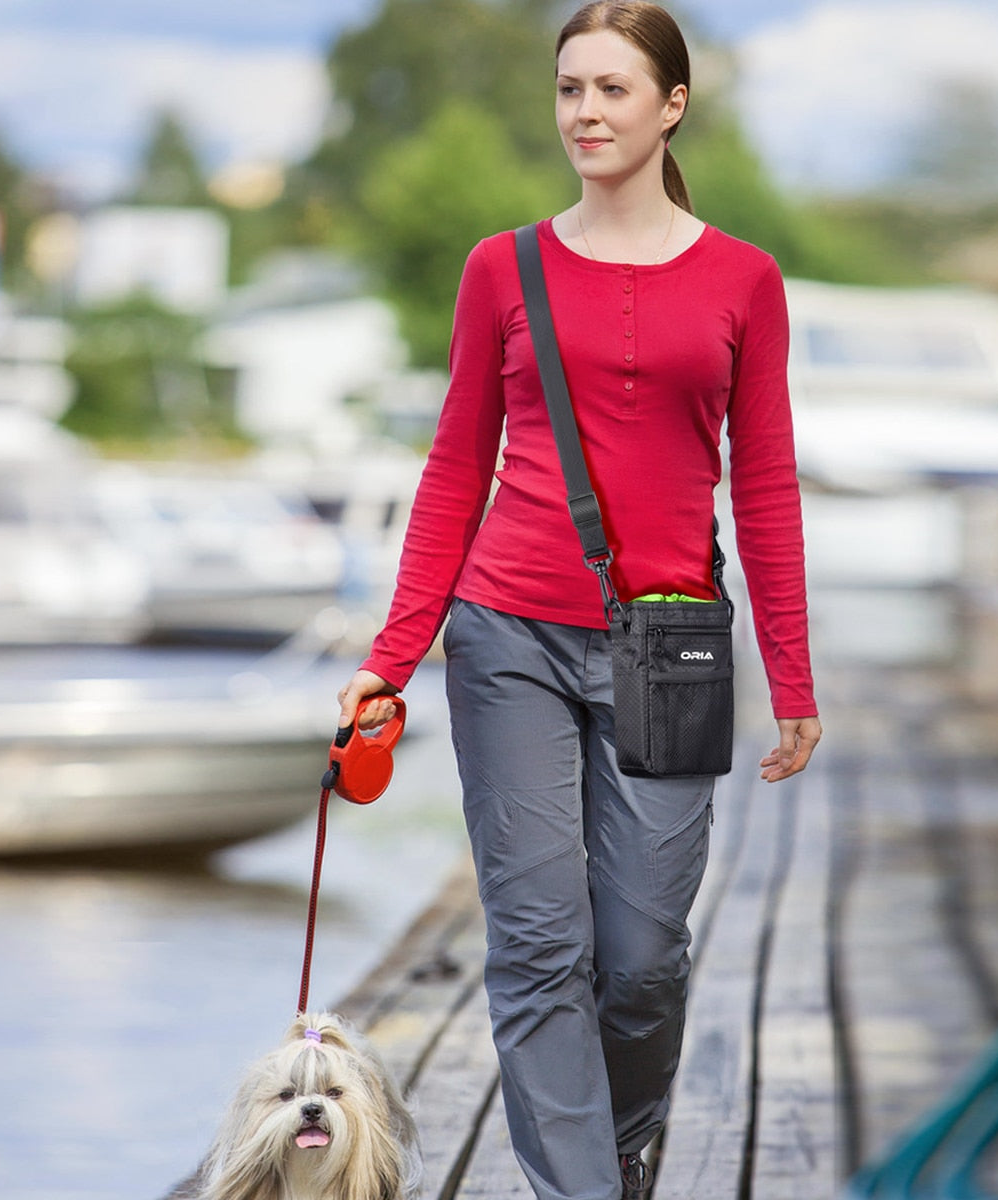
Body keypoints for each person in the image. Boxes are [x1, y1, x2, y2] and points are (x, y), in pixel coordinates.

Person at [337, 3, 822, 1197]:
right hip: (508, 636)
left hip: (674, 644)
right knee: (540, 945)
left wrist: (795, 674)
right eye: (569, 90)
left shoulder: (745, 280)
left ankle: (618, 1153)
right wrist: (395, 655)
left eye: (613, 89)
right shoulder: (503, 267)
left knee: (643, 956)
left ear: (671, 107)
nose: (587, 113)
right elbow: (457, 463)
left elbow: (762, 484)